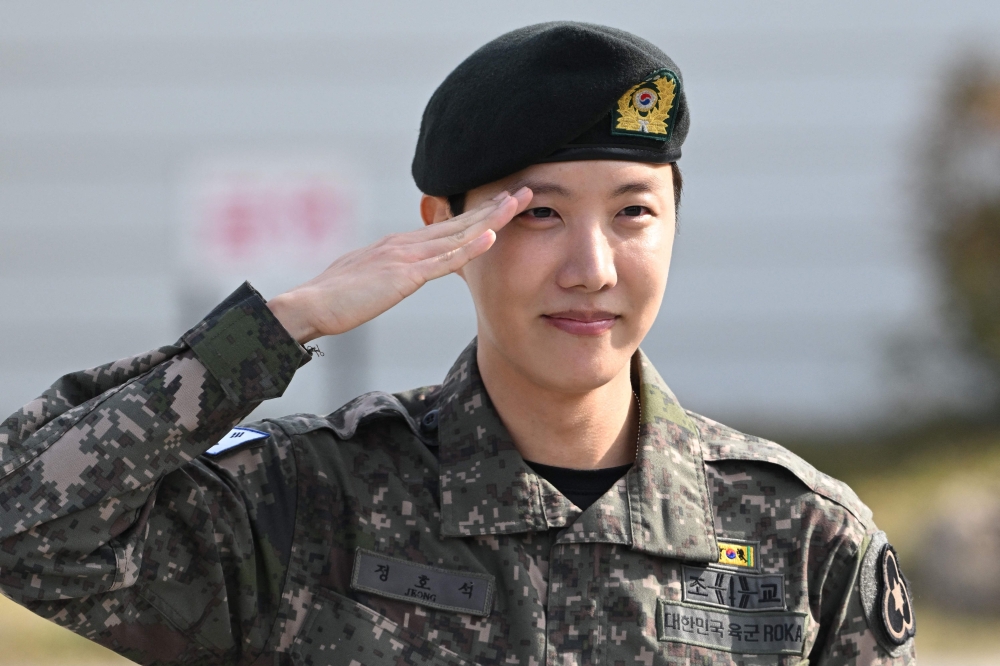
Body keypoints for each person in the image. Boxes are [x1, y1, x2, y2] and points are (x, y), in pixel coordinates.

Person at [0, 21, 916, 666]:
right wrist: (282, 326)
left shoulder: (801, 541)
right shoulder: (310, 506)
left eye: (634, 212)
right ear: (443, 228)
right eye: (541, 214)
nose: (592, 267)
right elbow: (25, 526)